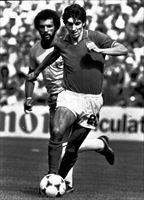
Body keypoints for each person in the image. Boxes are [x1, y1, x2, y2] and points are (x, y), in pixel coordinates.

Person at [27, 5, 127, 189]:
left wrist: (100, 50)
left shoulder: (96, 37)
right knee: (57, 131)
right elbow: (53, 55)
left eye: (77, 24)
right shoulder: (62, 42)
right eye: (69, 24)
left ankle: (60, 181)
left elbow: (123, 49)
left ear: (84, 23)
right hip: (69, 96)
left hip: (92, 101)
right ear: (65, 24)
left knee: (72, 149)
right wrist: (36, 72)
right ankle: (52, 175)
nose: (73, 28)